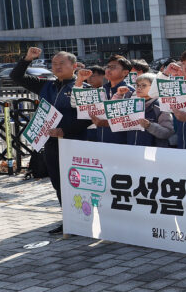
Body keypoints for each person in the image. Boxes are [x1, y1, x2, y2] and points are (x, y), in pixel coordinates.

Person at [12, 48, 90, 233]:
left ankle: (84, 218)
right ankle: (69, 219)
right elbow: (17, 76)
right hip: (51, 143)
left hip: (74, 142)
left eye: (62, 63)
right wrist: (27, 59)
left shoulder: (82, 89)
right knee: (58, 181)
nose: (57, 67)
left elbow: (87, 118)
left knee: (77, 181)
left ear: (74, 66)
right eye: (54, 64)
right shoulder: (46, 86)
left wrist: (64, 130)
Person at [78, 55, 134, 144]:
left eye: (113, 67)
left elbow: (133, 121)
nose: (108, 70)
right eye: (108, 67)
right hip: (100, 141)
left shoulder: (130, 92)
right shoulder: (100, 91)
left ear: (125, 72)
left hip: (122, 143)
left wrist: (107, 123)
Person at [117, 73, 174, 147]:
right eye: (137, 85)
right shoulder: (131, 104)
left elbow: (168, 132)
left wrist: (149, 126)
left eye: (143, 85)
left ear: (155, 87)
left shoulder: (161, 106)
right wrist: (119, 96)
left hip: (151, 153)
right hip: (131, 149)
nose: (139, 88)